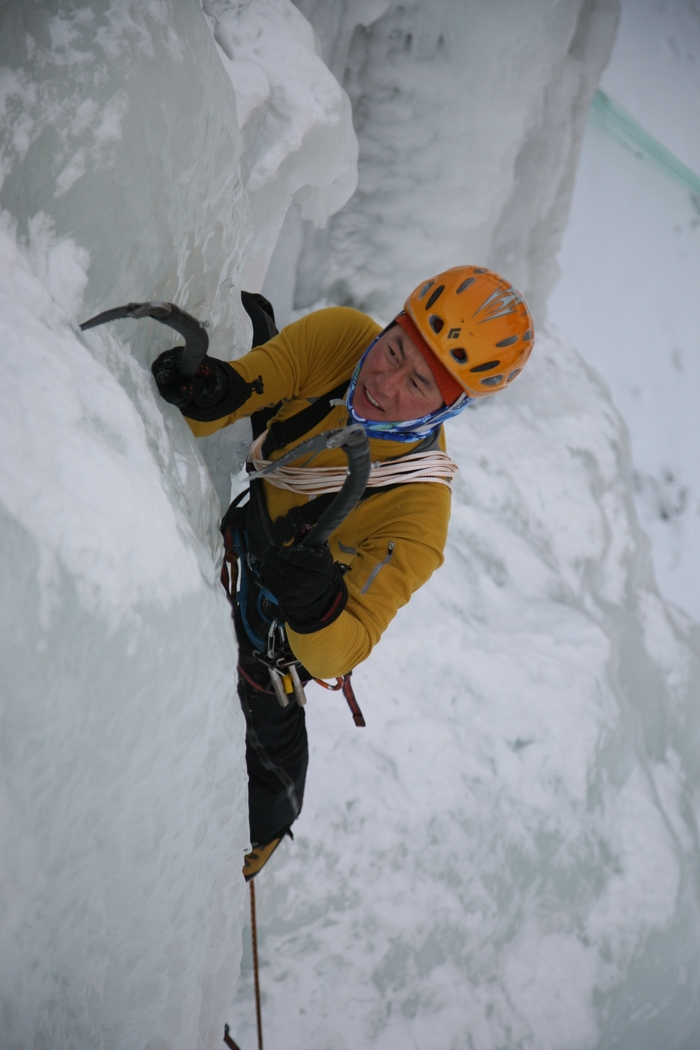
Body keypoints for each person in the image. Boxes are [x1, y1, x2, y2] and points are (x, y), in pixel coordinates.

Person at [152, 266, 534, 878]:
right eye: (394, 349)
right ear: (386, 328)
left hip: (288, 617)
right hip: (255, 527)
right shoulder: (342, 341)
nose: (384, 382)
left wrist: (319, 606)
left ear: (450, 407)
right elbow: (243, 394)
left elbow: (338, 651)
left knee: (267, 699)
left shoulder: (418, 515)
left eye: (419, 385)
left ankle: (263, 828)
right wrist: (211, 389)